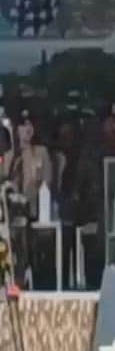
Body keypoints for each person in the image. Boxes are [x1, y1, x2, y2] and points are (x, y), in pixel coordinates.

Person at [69, 102, 115, 289]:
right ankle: (96, 279)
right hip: (93, 209)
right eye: (110, 121)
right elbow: (79, 187)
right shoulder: (90, 150)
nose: (114, 126)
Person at [5, 111, 56, 290]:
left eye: (30, 125)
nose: (27, 129)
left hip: (35, 214)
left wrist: (28, 198)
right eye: (22, 125)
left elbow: (47, 182)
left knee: (36, 255)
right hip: (13, 219)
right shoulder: (10, 156)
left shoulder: (41, 153)